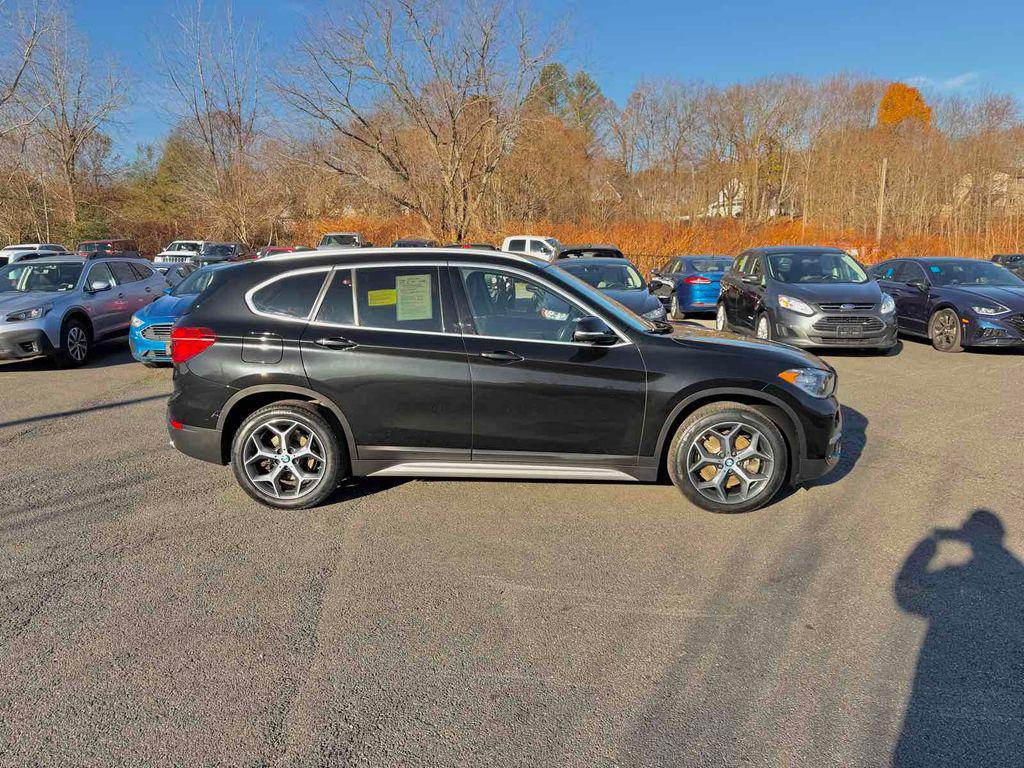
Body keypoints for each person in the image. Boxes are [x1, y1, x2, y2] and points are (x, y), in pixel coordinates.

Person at [893, 509, 1024, 766]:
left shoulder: (1001, 572)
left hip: (947, 684)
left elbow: (906, 599)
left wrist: (924, 550)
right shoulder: (1014, 567)